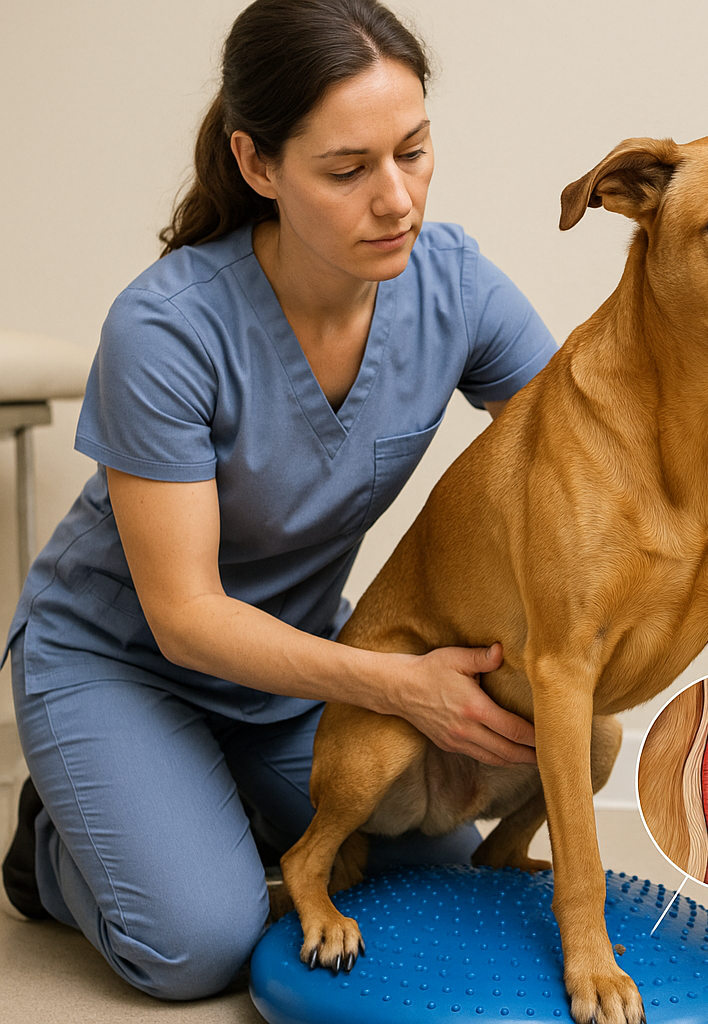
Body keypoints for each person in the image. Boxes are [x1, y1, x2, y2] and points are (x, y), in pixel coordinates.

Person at [1, 0, 556, 1000]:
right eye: (348, 170)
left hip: (295, 661)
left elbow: (580, 449)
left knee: (422, 879)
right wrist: (400, 684)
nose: (397, 200)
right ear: (259, 165)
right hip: (123, 660)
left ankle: (201, 807)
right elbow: (186, 616)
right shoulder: (167, 327)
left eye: (414, 152)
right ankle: (50, 841)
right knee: (197, 943)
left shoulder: (456, 287)